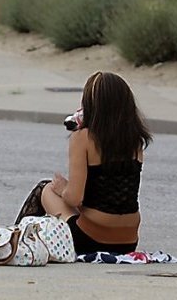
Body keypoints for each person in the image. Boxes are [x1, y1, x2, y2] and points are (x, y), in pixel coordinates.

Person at [37, 71, 153, 254]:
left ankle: (24, 242)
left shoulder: (83, 137)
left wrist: (63, 189)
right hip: (128, 241)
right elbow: (111, 197)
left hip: (91, 239)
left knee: (46, 189)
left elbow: (75, 198)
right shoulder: (135, 139)